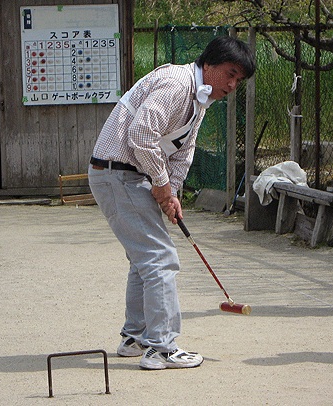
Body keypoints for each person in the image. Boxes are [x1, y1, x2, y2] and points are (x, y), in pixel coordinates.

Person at [88, 36, 255, 370]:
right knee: (160, 259)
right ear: (209, 64)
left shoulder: (199, 99)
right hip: (118, 173)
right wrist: (161, 184)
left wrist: (172, 192)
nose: (233, 85)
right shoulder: (177, 84)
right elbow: (141, 135)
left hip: (127, 175)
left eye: (239, 80)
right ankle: (161, 347)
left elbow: (183, 152)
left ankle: (135, 337)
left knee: (144, 259)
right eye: (230, 74)